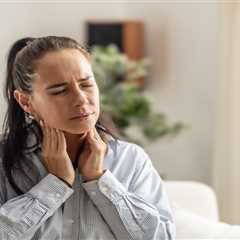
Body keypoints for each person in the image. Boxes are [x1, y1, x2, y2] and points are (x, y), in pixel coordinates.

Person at [0, 36, 176, 240]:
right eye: (60, 91)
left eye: (86, 84)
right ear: (25, 102)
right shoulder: (5, 161)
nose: (81, 99)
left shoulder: (131, 160)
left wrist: (100, 181)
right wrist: (55, 185)